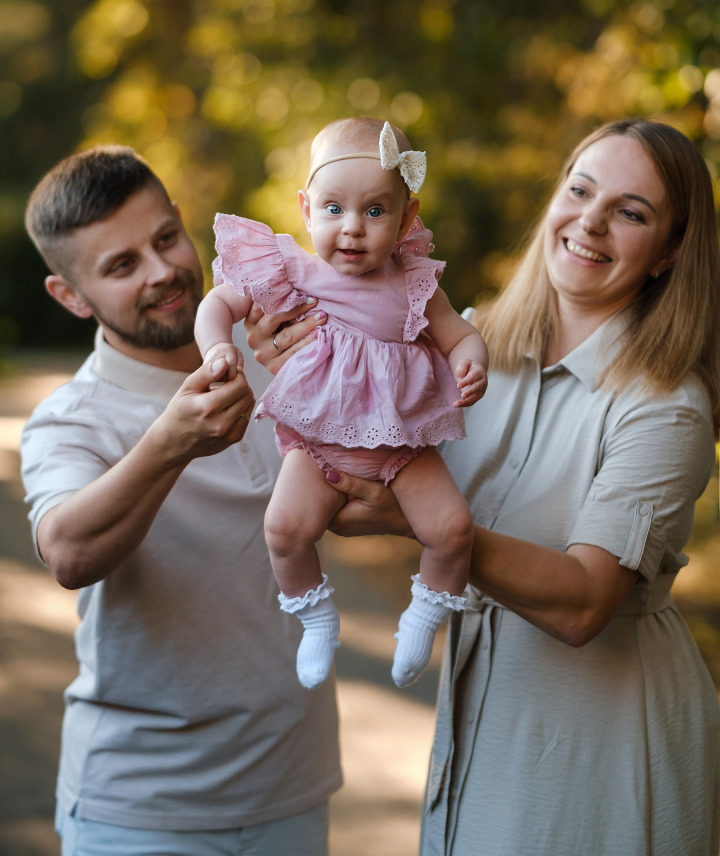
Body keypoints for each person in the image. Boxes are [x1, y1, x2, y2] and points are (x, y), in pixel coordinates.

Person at [248, 118, 720, 856]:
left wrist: (414, 523)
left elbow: (586, 604)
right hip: (480, 707)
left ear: (667, 254)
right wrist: (301, 370)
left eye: (631, 212)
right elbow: (349, 419)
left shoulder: (666, 406)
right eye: (580, 190)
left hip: (602, 733)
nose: (590, 221)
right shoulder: (470, 344)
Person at [21, 146, 341, 856]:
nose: (162, 270)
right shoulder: (70, 421)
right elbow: (69, 552)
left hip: (293, 788)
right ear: (70, 297)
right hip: (139, 811)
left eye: (165, 238)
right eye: (120, 264)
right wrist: (170, 442)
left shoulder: (277, 353)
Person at [195, 117, 488, 690]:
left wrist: (472, 359)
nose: (352, 229)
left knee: (453, 530)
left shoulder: (415, 282)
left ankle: (425, 615)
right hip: (316, 444)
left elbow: (458, 334)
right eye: (334, 209)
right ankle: (315, 617)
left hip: (402, 445)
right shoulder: (291, 268)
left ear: (406, 217)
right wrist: (215, 352)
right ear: (306, 210)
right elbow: (216, 307)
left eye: (375, 212)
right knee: (283, 529)